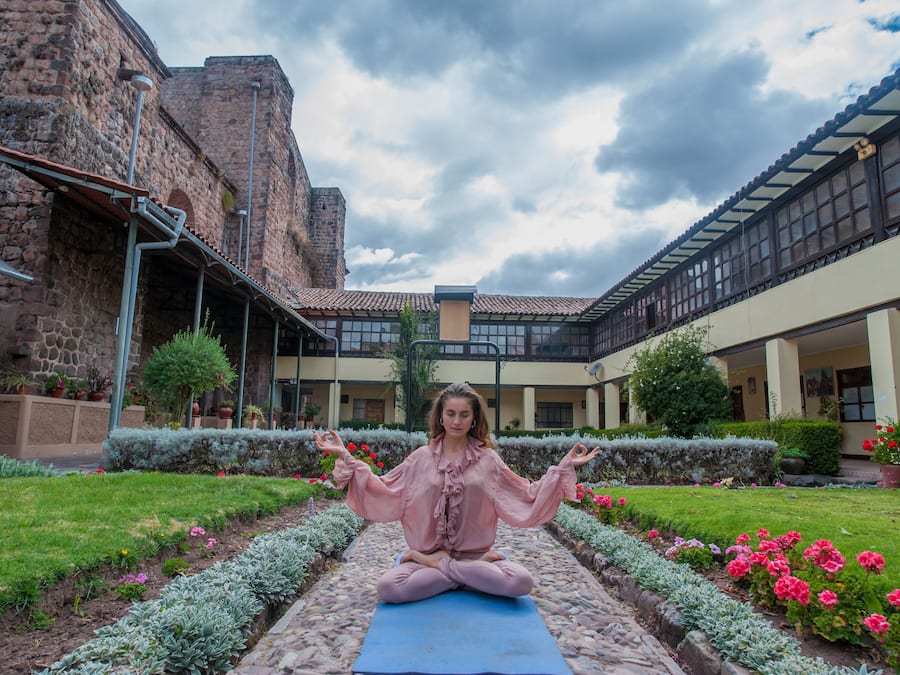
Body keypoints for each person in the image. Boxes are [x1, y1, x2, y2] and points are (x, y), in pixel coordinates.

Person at [313, 382, 599, 604]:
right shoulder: (421, 458)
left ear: (474, 418)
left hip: (463, 559)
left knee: (520, 583)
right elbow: (384, 488)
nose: (457, 421)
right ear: (441, 416)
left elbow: (525, 493)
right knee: (388, 588)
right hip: (443, 559)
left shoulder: (488, 460)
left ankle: (445, 570)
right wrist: (344, 456)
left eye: (464, 414)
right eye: (450, 413)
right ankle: (463, 575)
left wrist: (563, 468)